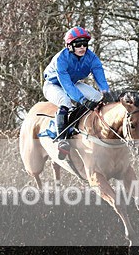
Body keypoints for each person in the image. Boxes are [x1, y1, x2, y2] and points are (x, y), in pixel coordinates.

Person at [43, 26, 114, 158]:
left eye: (85, 44)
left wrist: (106, 92)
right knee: (65, 102)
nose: (82, 47)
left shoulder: (91, 58)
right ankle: (62, 140)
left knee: (97, 97)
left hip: (73, 83)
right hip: (53, 85)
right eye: (78, 44)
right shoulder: (61, 59)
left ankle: (94, 130)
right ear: (69, 46)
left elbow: (100, 78)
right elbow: (67, 86)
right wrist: (83, 100)